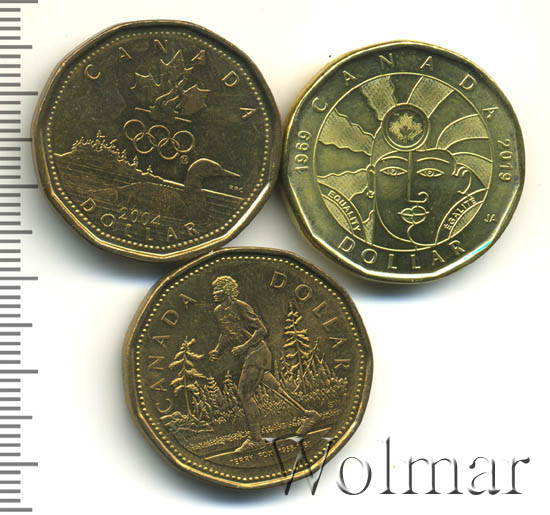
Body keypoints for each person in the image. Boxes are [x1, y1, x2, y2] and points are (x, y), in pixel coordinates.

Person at [209, 275, 320, 452]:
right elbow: (226, 333)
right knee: (275, 387)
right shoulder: (218, 311)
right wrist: (217, 349)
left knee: (244, 394)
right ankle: (309, 414)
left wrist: (243, 346)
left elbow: (262, 330)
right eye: (213, 289)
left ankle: (256, 439)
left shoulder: (241, 306)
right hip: (248, 355)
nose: (214, 293)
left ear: (228, 291)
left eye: (218, 289)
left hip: (257, 353)